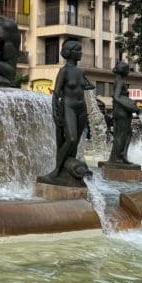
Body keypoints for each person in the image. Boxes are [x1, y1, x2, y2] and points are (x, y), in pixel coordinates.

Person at [38, 39, 94, 185]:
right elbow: (56, 93)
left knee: (75, 142)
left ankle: (68, 169)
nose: (81, 53)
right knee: (71, 138)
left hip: (81, 108)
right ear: (69, 53)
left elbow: (89, 86)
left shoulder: (80, 72)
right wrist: (55, 112)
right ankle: (56, 170)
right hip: (68, 106)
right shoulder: (64, 71)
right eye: (78, 50)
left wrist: (85, 82)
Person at [108, 61, 141, 165]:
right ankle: (119, 157)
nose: (129, 71)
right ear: (123, 70)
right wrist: (130, 106)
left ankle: (119, 156)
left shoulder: (118, 80)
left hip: (119, 111)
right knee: (123, 134)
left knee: (125, 134)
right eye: (127, 69)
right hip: (122, 111)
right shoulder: (120, 80)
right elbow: (116, 96)